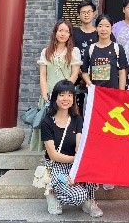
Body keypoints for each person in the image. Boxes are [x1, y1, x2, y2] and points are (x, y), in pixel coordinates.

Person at [40, 80, 102, 218]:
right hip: (57, 166)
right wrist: (76, 161)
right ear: (55, 97)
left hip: (74, 163)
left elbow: (79, 145)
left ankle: (90, 201)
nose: (66, 99)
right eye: (62, 95)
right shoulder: (47, 122)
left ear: (74, 98)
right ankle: (53, 193)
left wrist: (78, 169)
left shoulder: (77, 119)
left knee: (91, 166)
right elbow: (53, 155)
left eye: (69, 95)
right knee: (78, 196)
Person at [32, 20, 81, 151]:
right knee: (48, 124)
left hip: (66, 96)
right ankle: (47, 155)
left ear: (70, 34)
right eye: (60, 30)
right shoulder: (46, 51)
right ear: (55, 32)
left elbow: (75, 74)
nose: (63, 34)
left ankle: (63, 152)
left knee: (65, 124)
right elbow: (43, 75)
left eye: (66, 31)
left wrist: (65, 91)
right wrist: (44, 93)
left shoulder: (74, 51)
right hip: (49, 95)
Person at [81, 14, 129, 90]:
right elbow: (84, 71)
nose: (103, 29)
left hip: (113, 92)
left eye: (107, 26)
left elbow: (122, 72)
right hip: (96, 92)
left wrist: (121, 92)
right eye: (100, 26)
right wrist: (88, 82)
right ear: (96, 28)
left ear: (111, 28)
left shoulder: (118, 48)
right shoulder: (90, 49)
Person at [72, 0, 98, 112]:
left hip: (97, 80)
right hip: (76, 79)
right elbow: (69, 54)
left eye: (89, 12)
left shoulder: (101, 33)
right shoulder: (73, 33)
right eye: (83, 12)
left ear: (94, 13)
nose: (86, 14)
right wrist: (81, 74)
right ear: (78, 15)